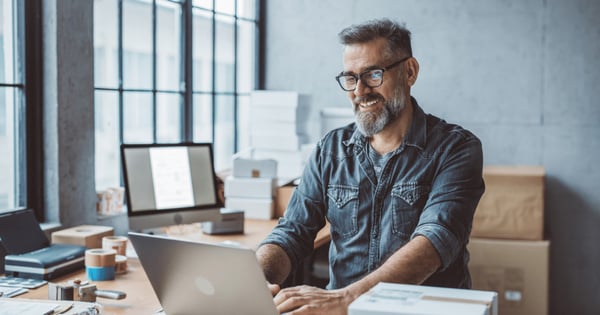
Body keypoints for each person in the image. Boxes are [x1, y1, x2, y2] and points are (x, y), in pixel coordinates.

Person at [256, 18, 484, 314]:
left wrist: (345, 299)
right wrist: (259, 278)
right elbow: (292, 231)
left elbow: (434, 241)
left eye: (373, 75)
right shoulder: (330, 150)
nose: (360, 91)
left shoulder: (456, 148)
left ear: (410, 71)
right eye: (350, 78)